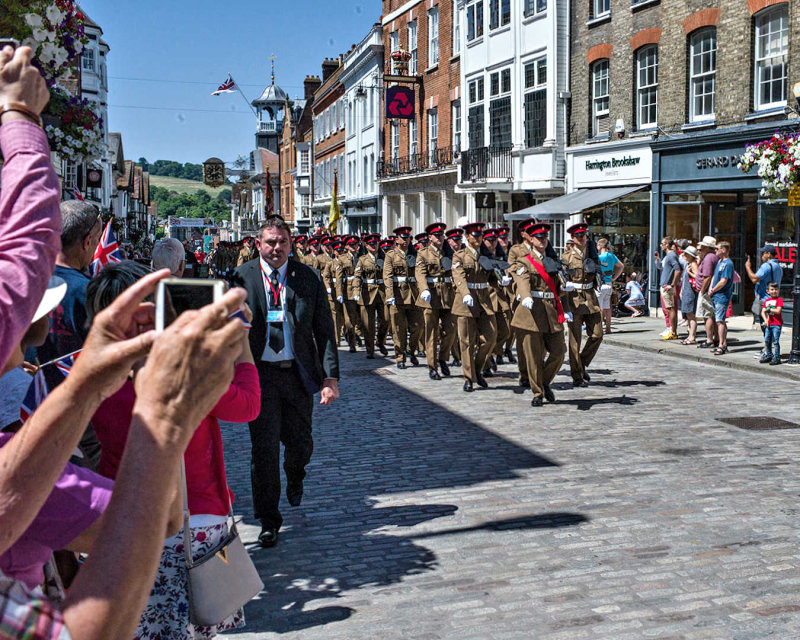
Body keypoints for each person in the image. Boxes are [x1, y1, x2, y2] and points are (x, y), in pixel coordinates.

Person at [86, 261, 260, 639]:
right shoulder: (179, 373)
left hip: (120, 516)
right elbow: (248, 405)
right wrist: (241, 342)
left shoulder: (89, 371)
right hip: (191, 514)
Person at [233, 216, 340, 548]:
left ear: (290, 243)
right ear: (258, 244)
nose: (275, 248)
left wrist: (329, 378)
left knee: (300, 444)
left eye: (281, 242)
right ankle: (269, 519)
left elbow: (324, 330)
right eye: (269, 242)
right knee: (262, 452)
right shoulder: (241, 278)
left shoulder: (307, 278)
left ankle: (296, 474)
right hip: (259, 377)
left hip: (296, 375)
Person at [509, 222, 567, 407]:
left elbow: (559, 287)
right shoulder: (524, 261)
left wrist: (568, 294)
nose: (542, 240)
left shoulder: (552, 260)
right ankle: (537, 392)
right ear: (531, 239)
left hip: (550, 312)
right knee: (533, 356)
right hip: (531, 312)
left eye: (545, 237)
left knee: (559, 352)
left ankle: (543, 381)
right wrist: (525, 296)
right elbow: (522, 280)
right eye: (538, 238)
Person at [451, 222, 497, 392]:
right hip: (466, 303)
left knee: (490, 338)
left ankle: (477, 369)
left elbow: (492, 276)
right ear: (467, 237)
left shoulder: (486, 255)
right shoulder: (459, 256)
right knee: (467, 342)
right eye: (474, 235)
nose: (478, 238)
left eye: (480, 235)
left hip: (484, 301)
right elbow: (458, 276)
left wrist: (501, 281)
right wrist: (465, 293)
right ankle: (469, 377)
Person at [561, 223, 602, 387]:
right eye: (578, 236)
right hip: (574, 300)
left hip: (591, 298)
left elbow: (598, 271)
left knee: (597, 335)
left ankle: (582, 362)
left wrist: (603, 285)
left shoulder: (592, 254)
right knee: (574, 340)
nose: (582, 238)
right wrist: (565, 307)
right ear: (573, 239)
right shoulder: (567, 258)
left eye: (583, 235)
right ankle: (577, 375)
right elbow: (562, 283)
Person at [415, 222, 456, 380]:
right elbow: (420, 273)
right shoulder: (423, 253)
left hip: (448, 296)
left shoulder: (450, 252)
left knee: (451, 330)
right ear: (430, 238)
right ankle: (432, 366)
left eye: (441, 235)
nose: (440, 238)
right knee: (431, 333)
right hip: (431, 297)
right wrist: (424, 289)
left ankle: (443, 358)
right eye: (437, 235)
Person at [383, 226, 423, 369]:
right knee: (398, 329)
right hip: (398, 295)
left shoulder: (416, 254)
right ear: (397, 239)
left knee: (418, 327)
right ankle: (400, 356)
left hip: (413, 295)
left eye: (409, 238)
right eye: (404, 238)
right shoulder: (390, 255)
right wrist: (390, 295)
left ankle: (411, 350)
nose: (406, 240)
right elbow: (387, 276)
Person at [352, 233, 389, 359]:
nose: (374, 246)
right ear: (366, 246)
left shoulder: (385, 258)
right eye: (371, 244)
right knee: (368, 324)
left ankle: (380, 341)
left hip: (383, 293)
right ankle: (370, 349)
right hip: (367, 293)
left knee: (386, 320)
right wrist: (356, 291)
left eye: (376, 243)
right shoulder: (362, 260)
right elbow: (357, 277)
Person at [334, 235, 362, 353]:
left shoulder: (363, 257)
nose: (354, 247)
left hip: (362, 290)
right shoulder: (342, 259)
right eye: (351, 245)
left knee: (362, 319)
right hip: (348, 291)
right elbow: (339, 277)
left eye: (355, 245)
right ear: (346, 247)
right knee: (349, 321)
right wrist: (339, 293)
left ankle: (359, 337)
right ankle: (351, 343)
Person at [745, 244, 783, 329]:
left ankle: (769, 342)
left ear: (769, 254)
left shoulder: (766, 266)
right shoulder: (778, 267)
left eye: (763, 253)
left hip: (765, 300)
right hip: (773, 300)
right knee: (771, 324)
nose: (762, 255)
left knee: (766, 325)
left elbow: (754, 279)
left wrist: (747, 267)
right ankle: (771, 341)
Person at [708, 241, 734, 356]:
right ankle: (722, 342)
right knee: (718, 320)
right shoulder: (720, 262)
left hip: (722, 295)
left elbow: (724, 281)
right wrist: (710, 288)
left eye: (717, 249)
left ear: (723, 250)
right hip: (715, 295)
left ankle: (722, 345)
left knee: (720, 320)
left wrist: (713, 289)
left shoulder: (728, 264)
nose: (715, 251)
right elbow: (715, 276)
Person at [695, 236, 719, 349]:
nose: (701, 248)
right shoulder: (713, 257)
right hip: (710, 290)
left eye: (703, 247)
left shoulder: (709, 258)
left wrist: (703, 290)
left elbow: (707, 276)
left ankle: (710, 339)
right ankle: (716, 338)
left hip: (707, 291)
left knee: (707, 315)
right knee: (711, 315)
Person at [596, 238, 623, 334]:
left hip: (600, 284)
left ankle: (599, 328)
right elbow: (621, 266)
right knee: (608, 307)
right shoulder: (612, 256)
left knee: (600, 307)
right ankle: (608, 328)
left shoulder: (599, 257)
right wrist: (614, 278)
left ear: (599, 246)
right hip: (609, 284)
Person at [658, 236, 682, 341]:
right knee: (669, 309)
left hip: (667, 286)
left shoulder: (671, 255)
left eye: (662, 243)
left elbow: (678, 270)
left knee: (671, 309)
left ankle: (673, 332)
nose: (661, 245)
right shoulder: (669, 256)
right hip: (665, 285)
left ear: (667, 244)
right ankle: (672, 331)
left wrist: (672, 284)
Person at [677, 245, 699, 344]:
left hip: (690, 293)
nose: (683, 255)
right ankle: (690, 335)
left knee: (691, 315)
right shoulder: (688, 264)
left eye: (686, 253)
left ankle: (692, 337)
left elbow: (698, 278)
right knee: (688, 315)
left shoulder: (693, 264)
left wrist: (690, 273)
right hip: (686, 292)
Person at [760, 282, 783, 365]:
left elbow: (778, 311)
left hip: (777, 324)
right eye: (772, 289)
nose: (774, 291)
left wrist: (769, 310)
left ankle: (777, 357)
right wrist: (765, 320)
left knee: (775, 341)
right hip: (769, 324)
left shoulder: (779, 300)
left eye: (776, 289)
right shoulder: (767, 301)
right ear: (768, 291)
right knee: (767, 340)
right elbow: (763, 312)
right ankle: (769, 355)